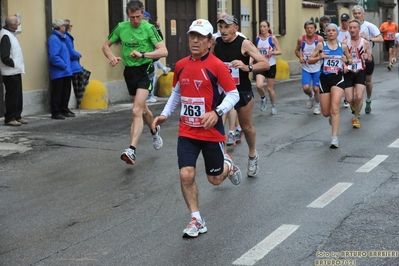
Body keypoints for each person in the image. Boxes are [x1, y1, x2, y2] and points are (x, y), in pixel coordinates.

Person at [152, 19, 241, 238]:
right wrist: (164, 114)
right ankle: (196, 219)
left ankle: (227, 164)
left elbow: (233, 94)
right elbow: (176, 93)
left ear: (210, 42)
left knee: (215, 180)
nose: (195, 40)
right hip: (187, 131)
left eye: (201, 37)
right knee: (186, 174)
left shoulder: (217, 66)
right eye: (193, 36)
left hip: (211, 132)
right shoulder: (181, 65)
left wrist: (217, 112)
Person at [102, 0, 167, 165]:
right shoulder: (121, 27)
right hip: (129, 72)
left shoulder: (149, 28)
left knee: (136, 110)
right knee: (143, 110)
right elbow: (105, 46)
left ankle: (131, 150)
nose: (136, 21)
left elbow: (163, 51)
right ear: (127, 15)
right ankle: (154, 130)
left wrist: (143, 54)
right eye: (132, 18)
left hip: (145, 70)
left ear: (143, 15)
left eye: (138, 17)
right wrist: (111, 57)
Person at [213, 13, 270, 177]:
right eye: (221, 27)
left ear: (235, 28)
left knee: (246, 127)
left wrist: (247, 68)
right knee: (218, 127)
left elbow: (264, 63)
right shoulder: (216, 43)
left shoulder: (243, 43)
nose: (223, 31)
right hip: (223, 92)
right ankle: (224, 162)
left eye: (226, 27)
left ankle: (252, 154)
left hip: (241, 90)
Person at [308, 23, 352, 149]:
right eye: (329, 31)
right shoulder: (321, 45)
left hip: (338, 78)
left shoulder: (342, 46)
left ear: (337, 33)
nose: (331, 32)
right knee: (326, 112)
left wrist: (346, 60)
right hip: (324, 79)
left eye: (333, 30)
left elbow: (350, 60)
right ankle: (331, 118)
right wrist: (319, 57)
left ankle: (334, 138)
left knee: (335, 109)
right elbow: (310, 60)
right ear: (326, 33)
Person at [352, 5, 383, 114]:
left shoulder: (369, 26)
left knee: (368, 82)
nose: (357, 15)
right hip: (353, 60)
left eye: (359, 13)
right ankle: (356, 105)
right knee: (354, 83)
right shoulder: (350, 27)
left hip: (367, 58)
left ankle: (368, 100)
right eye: (355, 13)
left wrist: (369, 38)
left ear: (363, 14)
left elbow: (381, 38)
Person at [0, 15, 27, 126]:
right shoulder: (5, 36)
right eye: (17, 22)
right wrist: (14, 64)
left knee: (17, 95)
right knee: (12, 95)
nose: (18, 24)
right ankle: (10, 118)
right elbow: (5, 56)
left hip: (15, 70)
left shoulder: (10, 34)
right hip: (10, 71)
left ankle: (17, 115)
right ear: (12, 24)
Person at [343, 19, 371, 129]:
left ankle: (355, 117)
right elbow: (341, 58)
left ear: (359, 29)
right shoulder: (345, 43)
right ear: (348, 29)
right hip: (349, 71)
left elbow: (369, 58)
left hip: (360, 70)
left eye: (355, 27)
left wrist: (367, 57)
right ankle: (353, 105)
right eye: (350, 27)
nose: (352, 29)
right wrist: (344, 65)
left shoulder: (365, 42)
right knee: (349, 99)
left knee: (359, 96)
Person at [252, 20, 282, 115]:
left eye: (264, 26)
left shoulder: (272, 38)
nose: (262, 28)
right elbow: (255, 52)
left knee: (269, 88)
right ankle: (263, 98)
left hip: (271, 65)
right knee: (259, 85)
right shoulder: (258, 38)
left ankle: (273, 106)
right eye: (261, 26)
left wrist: (272, 52)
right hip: (261, 65)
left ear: (268, 28)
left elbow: (279, 51)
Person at [294, 20, 323, 115]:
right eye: (307, 28)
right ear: (305, 29)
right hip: (306, 67)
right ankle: (311, 96)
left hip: (317, 67)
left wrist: (319, 57)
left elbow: (324, 51)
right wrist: (300, 57)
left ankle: (317, 105)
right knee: (306, 88)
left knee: (316, 88)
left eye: (311, 28)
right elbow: (297, 50)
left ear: (315, 29)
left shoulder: (319, 39)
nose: (309, 30)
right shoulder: (301, 39)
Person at [47, 19, 73, 120]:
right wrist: (64, 65)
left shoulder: (62, 38)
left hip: (65, 71)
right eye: (63, 26)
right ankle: (56, 111)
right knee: (57, 92)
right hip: (59, 71)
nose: (65, 27)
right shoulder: (54, 39)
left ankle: (64, 109)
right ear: (60, 27)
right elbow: (53, 56)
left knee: (65, 91)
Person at [142, 11, 171, 103]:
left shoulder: (150, 28)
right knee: (151, 76)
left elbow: (159, 38)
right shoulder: (145, 29)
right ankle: (149, 96)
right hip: (147, 54)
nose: (147, 21)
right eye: (146, 19)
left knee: (152, 74)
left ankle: (150, 95)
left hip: (151, 53)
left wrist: (157, 29)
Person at [64, 19, 82, 116]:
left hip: (70, 65)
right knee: (68, 88)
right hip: (71, 65)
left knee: (68, 87)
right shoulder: (67, 37)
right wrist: (78, 54)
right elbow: (71, 52)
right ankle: (65, 108)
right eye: (71, 25)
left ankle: (65, 108)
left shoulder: (65, 36)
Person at [338, 13, 351, 108]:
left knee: (348, 78)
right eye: (342, 20)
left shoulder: (352, 30)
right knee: (341, 77)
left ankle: (347, 98)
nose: (344, 22)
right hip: (340, 57)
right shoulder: (337, 31)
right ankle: (344, 97)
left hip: (351, 56)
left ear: (349, 21)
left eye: (346, 20)